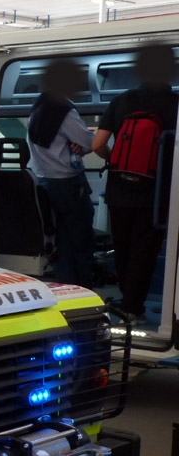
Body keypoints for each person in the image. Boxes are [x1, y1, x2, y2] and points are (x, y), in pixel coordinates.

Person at [92, 44, 178, 324]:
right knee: (145, 250)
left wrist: (114, 160)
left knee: (123, 247)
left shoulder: (122, 101)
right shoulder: (175, 104)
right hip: (157, 193)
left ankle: (127, 303)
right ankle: (133, 307)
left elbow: (97, 144)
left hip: (119, 189)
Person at [27, 59, 96, 288]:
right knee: (81, 239)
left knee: (63, 240)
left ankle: (68, 286)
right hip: (68, 183)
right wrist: (84, 144)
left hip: (47, 181)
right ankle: (86, 288)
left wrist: (77, 144)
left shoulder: (38, 106)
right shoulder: (64, 110)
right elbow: (89, 142)